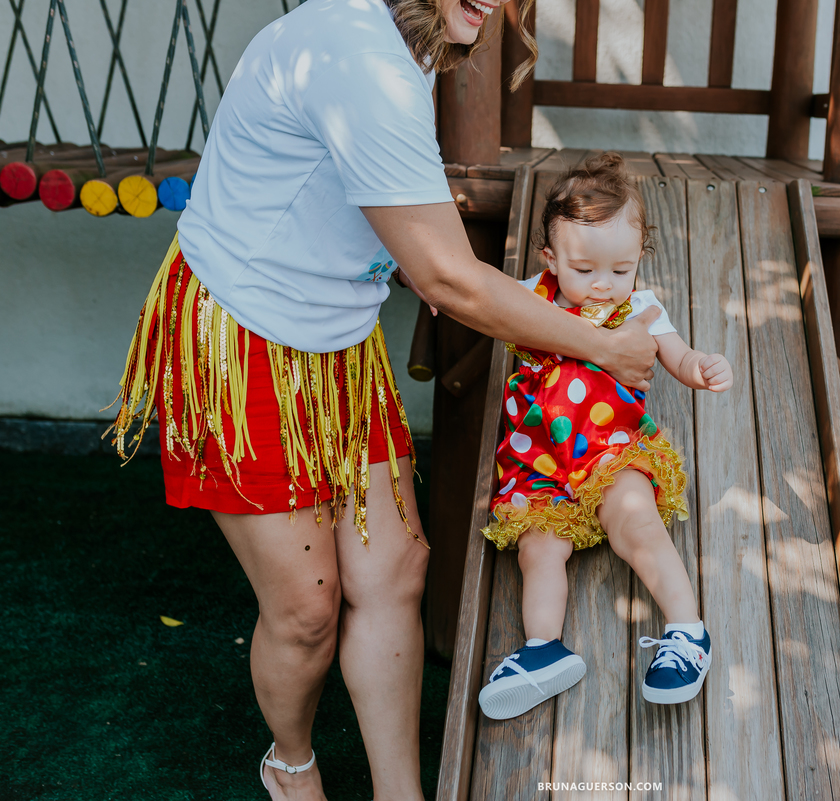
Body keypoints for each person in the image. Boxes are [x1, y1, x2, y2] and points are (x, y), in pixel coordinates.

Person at [107, 1, 662, 799]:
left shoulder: (402, 41)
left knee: (397, 569)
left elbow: (356, 196)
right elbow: (447, 275)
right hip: (244, 338)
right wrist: (604, 343)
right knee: (307, 611)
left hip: (336, 339)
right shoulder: (360, 59)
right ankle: (291, 762)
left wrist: (400, 256)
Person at [476, 154, 732, 721]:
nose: (602, 285)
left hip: (613, 450)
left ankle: (688, 633)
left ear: (637, 261)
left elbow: (679, 357)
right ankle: (543, 649)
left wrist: (702, 366)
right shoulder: (531, 297)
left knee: (636, 520)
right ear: (550, 258)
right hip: (538, 460)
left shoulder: (640, 308)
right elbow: (479, 295)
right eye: (585, 269)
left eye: (620, 270)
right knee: (538, 548)